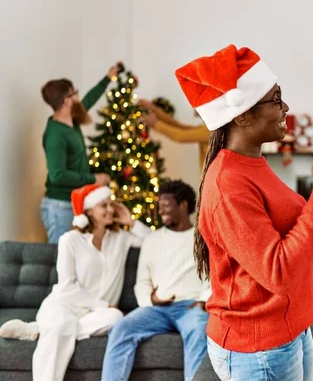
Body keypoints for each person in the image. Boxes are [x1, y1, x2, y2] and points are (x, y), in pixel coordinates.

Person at [174, 45, 313, 380]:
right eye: (275, 98)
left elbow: (272, 243)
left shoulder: (253, 164)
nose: (285, 108)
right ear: (241, 114)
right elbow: (277, 271)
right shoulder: (229, 183)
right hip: (258, 347)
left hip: (289, 331)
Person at [0, 183, 151, 381]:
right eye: (103, 205)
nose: (110, 209)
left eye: (110, 204)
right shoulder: (69, 240)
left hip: (97, 314)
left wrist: (130, 222)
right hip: (64, 304)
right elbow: (67, 286)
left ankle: (37, 330)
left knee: (115, 317)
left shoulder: (121, 238)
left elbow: (153, 241)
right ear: (88, 211)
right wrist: (103, 304)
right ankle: (48, 330)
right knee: (61, 324)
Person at [101, 180, 212, 381]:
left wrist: (204, 300)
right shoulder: (152, 240)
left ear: (184, 205)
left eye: (166, 206)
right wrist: (149, 300)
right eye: (159, 208)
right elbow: (142, 282)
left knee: (199, 330)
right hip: (157, 309)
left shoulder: (202, 238)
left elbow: (215, 276)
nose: (161, 212)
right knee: (121, 328)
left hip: (191, 307)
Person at [40, 62, 122, 243]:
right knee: (59, 260)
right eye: (74, 92)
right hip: (59, 207)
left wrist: (108, 79)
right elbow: (57, 175)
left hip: (73, 202)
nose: (78, 95)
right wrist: (94, 179)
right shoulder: (55, 135)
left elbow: (88, 101)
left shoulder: (72, 120)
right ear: (66, 101)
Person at [138, 98, 211, 170]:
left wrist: (156, 124)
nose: (192, 105)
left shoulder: (211, 131)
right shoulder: (206, 128)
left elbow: (181, 136)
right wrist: (154, 109)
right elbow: (180, 127)